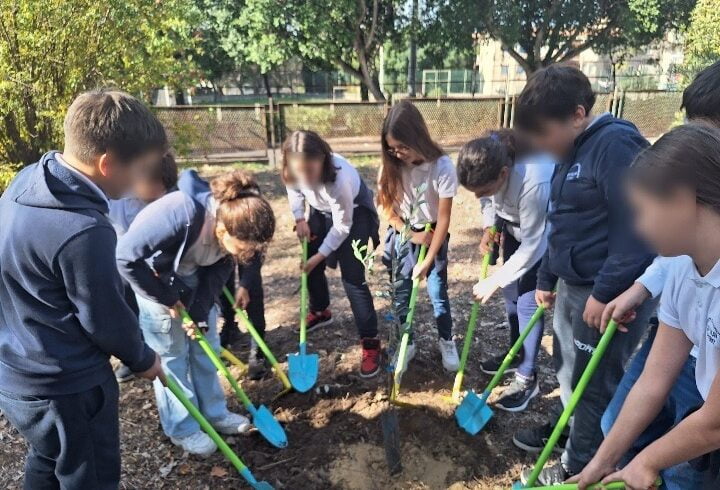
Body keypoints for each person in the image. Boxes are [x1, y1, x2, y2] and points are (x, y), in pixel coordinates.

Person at [0, 89, 165, 489]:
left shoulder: (29, 180)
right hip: (67, 384)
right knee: (89, 473)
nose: (141, 181)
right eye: (139, 170)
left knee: (51, 455)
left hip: (17, 373)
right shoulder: (83, 231)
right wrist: (144, 359)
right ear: (107, 164)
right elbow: (104, 318)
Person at [511, 65, 657, 485]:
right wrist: (545, 278)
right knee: (567, 369)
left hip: (609, 295)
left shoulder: (615, 146)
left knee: (595, 382)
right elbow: (560, 224)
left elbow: (638, 227)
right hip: (574, 287)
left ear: (577, 114)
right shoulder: (568, 151)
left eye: (543, 133)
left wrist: (607, 290)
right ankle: (570, 431)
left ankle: (579, 465)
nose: (540, 145)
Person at [591, 59, 720, 490]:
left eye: (643, 211)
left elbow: (715, 422)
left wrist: (646, 461)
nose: (638, 228)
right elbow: (654, 377)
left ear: (683, 199)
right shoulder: (685, 267)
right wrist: (603, 462)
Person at [116, 169, 275, 457]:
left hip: (190, 279)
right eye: (242, 249)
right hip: (154, 282)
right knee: (172, 358)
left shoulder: (232, 228)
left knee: (206, 347)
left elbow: (218, 270)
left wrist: (199, 312)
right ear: (223, 230)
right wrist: (166, 298)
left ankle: (214, 413)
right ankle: (182, 428)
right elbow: (126, 258)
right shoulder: (180, 213)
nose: (245, 257)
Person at [456, 129, 554, 411]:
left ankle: (527, 377)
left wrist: (493, 280)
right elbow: (489, 200)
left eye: (484, 189)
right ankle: (515, 354)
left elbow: (535, 244)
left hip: (541, 238)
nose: (479, 197)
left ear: (503, 173)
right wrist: (490, 226)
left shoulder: (535, 179)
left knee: (526, 302)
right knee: (511, 295)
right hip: (513, 228)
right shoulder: (490, 153)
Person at [282, 130, 381, 377]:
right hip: (319, 211)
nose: (304, 176)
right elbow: (294, 189)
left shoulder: (339, 179)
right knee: (309, 263)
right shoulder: (295, 171)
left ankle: (370, 343)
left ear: (323, 159)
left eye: (310, 170)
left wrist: (320, 256)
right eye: (299, 171)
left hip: (353, 216)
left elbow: (342, 226)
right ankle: (321, 311)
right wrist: (299, 217)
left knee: (352, 279)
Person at [378, 100, 460, 373]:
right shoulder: (390, 165)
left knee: (437, 291)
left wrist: (429, 257)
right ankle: (406, 342)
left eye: (402, 146)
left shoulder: (442, 167)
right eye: (392, 148)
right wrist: (410, 235)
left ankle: (446, 341)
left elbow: (445, 219)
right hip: (404, 232)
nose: (398, 153)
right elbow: (387, 210)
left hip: (434, 232)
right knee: (401, 293)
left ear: (417, 137)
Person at [109, 152, 179, 383]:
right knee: (128, 307)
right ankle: (136, 355)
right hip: (123, 259)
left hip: (151, 264)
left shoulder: (166, 193)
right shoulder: (116, 193)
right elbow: (124, 247)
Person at [218, 253, 269, 380]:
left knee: (252, 283)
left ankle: (257, 347)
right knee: (222, 277)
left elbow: (254, 258)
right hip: (217, 243)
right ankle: (230, 327)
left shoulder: (251, 238)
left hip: (248, 242)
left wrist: (245, 285)